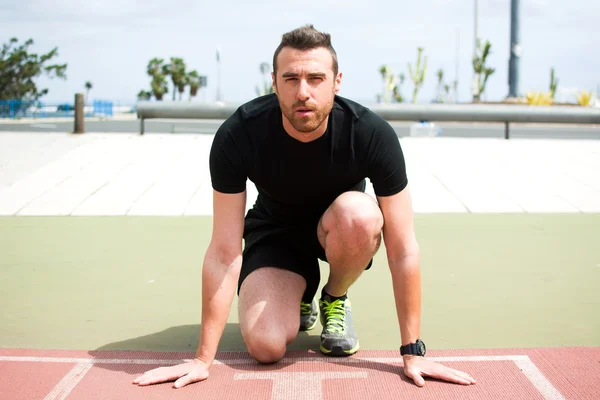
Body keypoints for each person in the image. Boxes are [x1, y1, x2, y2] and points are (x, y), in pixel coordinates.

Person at [133, 24, 476, 389]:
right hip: (275, 233)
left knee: (359, 214)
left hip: (342, 231)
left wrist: (413, 351)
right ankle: (298, 294)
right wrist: (203, 358)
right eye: (291, 78)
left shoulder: (370, 133)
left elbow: (404, 247)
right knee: (265, 347)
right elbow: (223, 251)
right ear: (274, 81)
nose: (303, 92)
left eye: (315, 78)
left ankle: (334, 296)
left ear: (337, 81)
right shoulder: (239, 134)